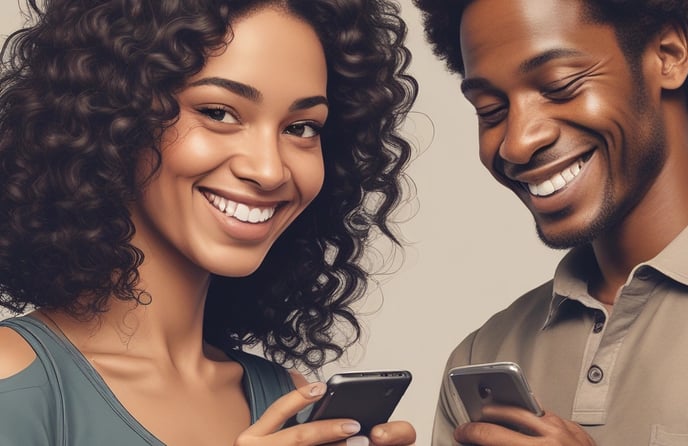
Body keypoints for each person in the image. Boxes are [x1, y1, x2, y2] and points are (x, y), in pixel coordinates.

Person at [0, 0, 417, 445]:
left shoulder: (292, 404)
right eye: (219, 113)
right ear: (116, 117)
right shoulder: (16, 381)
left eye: (301, 127)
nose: (270, 170)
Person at [413, 0, 688, 444]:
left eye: (559, 86)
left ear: (669, 55)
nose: (517, 144)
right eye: (490, 111)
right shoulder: (484, 355)